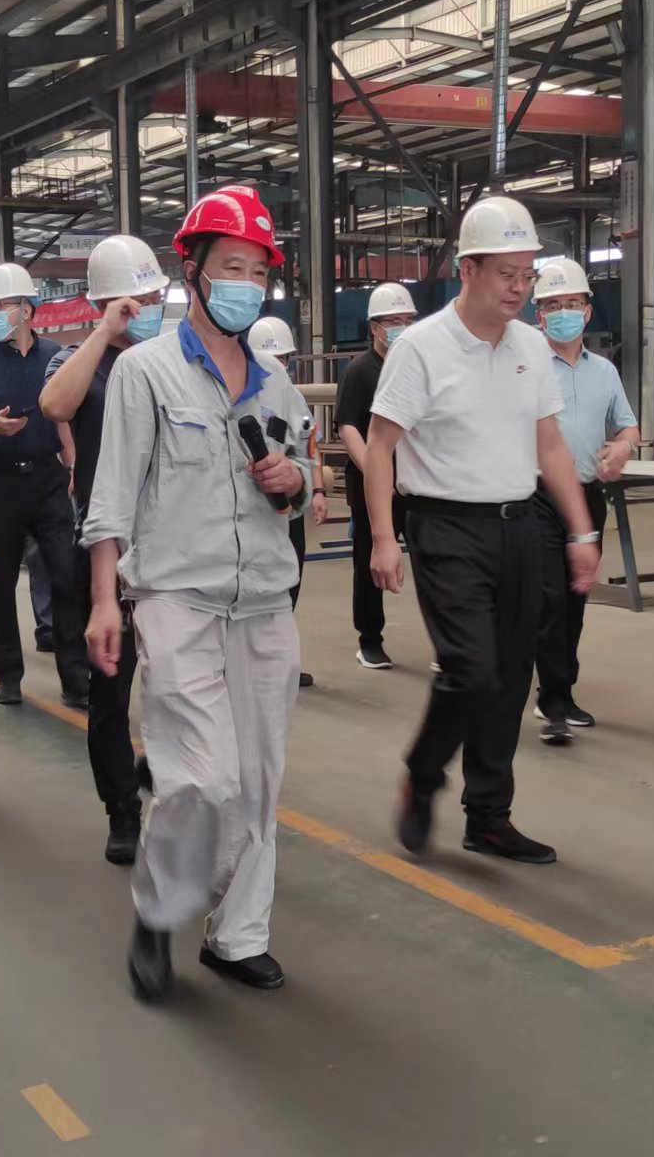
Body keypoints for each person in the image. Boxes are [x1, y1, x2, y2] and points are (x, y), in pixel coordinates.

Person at [83, 188, 314, 1002]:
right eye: (231, 267)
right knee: (202, 780)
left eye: (258, 271)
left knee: (258, 783)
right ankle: (160, 909)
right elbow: (112, 496)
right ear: (193, 273)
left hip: (264, 602)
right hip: (177, 598)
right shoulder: (144, 372)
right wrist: (105, 600)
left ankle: (238, 935)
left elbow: (304, 479)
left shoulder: (277, 383)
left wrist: (295, 481)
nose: (246, 283)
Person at [364, 195, 602, 866]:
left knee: (511, 675)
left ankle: (489, 817)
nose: (520, 289)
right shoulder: (421, 347)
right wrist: (383, 538)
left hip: (520, 525)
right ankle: (424, 774)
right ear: (467, 270)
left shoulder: (531, 346)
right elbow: (380, 446)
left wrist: (580, 532)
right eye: (506, 274)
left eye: (527, 275)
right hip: (446, 527)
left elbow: (549, 443)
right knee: (471, 668)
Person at [41, 233, 169, 864]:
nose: (149, 309)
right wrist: (104, 333)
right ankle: (122, 809)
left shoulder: (172, 359)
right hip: (107, 544)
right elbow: (54, 405)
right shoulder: (79, 362)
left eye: (156, 298)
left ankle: (158, 770)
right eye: (136, 301)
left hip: (174, 543)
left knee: (180, 680)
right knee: (112, 690)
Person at [0, 261, 93, 709]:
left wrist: (72, 465)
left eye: (3, 305)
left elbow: (63, 415)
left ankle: (76, 678)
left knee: (67, 575)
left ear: (27, 310)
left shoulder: (55, 356)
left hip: (48, 480)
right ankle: (8, 674)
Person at [528, 257, 639, 744]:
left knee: (576, 595)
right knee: (549, 596)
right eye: (553, 306)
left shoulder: (605, 372)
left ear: (588, 312)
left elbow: (628, 426)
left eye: (572, 303)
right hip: (536, 496)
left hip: (588, 495)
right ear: (539, 315)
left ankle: (560, 689)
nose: (564, 313)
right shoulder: (524, 368)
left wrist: (623, 447)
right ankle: (553, 700)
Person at [335, 282, 416, 670]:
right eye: (392, 321)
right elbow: (348, 427)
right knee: (370, 557)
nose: (401, 327)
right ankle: (369, 639)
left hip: (415, 482)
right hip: (372, 483)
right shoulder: (360, 371)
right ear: (374, 327)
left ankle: (446, 637)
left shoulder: (416, 367)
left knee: (434, 557)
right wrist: (375, 472)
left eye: (407, 320)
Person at [246, 315, 329, 689]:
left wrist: (318, 491)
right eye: (272, 357)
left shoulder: (291, 397)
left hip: (289, 512)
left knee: (288, 584)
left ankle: (279, 662)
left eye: (283, 358)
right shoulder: (239, 394)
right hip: (252, 514)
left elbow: (307, 448)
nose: (278, 364)